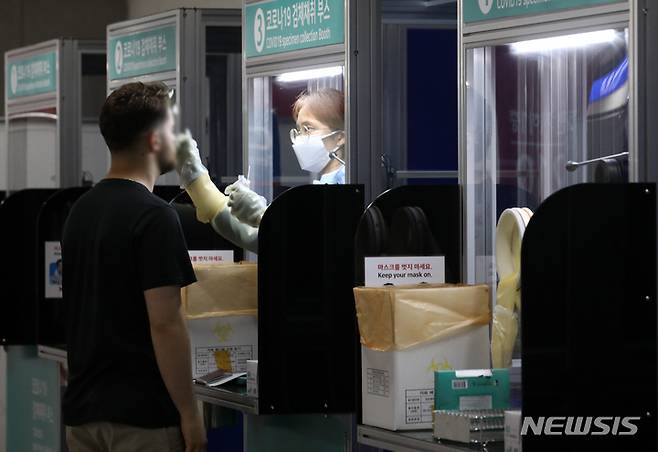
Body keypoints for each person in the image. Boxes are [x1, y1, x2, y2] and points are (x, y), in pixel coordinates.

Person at [62, 82, 206, 452]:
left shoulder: (80, 211)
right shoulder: (155, 216)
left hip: (83, 416)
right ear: (155, 140)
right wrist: (190, 414)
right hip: (141, 421)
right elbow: (165, 323)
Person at [174, 88, 345, 250]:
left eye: (308, 129)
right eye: (298, 130)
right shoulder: (321, 186)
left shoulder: (348, 186)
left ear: (340, 137)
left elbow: (312, 246)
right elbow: (259, 238)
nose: (299, 138)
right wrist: (198, 184)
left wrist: (263, 214)